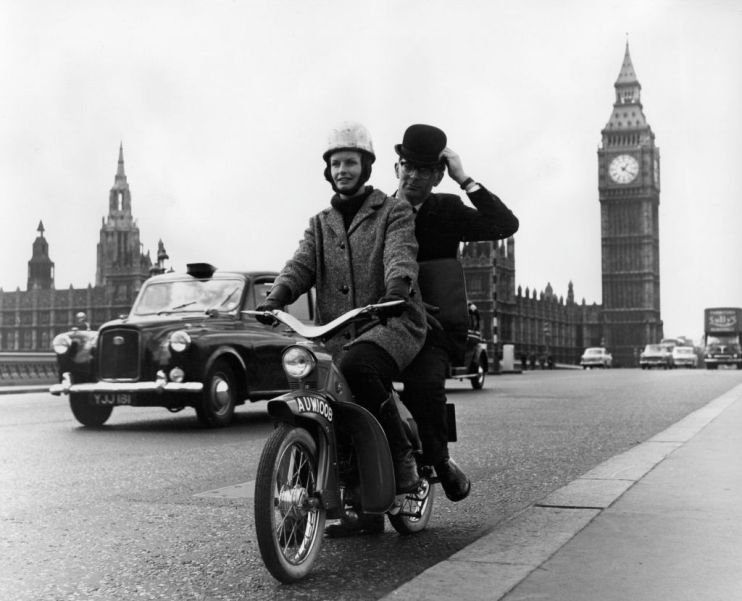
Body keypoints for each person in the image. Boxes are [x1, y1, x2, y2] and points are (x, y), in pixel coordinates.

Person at [255, 122, 427, 502]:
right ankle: (346, 489)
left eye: (349, 162)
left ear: (366, 166)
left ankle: (400, 456)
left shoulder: (393, 212)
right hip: (338, 330)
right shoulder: (320, 223)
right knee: (319, 383)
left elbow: (400, 254)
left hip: (391, 322)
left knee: (357, 367)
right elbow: (301, 264)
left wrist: (397, 288)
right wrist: (277, 296)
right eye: (335, 164)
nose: (341, 171)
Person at [394, 124, 519, 502]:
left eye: (423, 170)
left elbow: (504, 225)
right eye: (406, 167)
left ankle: (440, 460)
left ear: (437, 175)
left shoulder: (446, 209)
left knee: (424, 385)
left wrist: (464, 179)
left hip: (433, 327)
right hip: (387, 322)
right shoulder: (378, 212)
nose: (413, 176)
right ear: (396, 167)